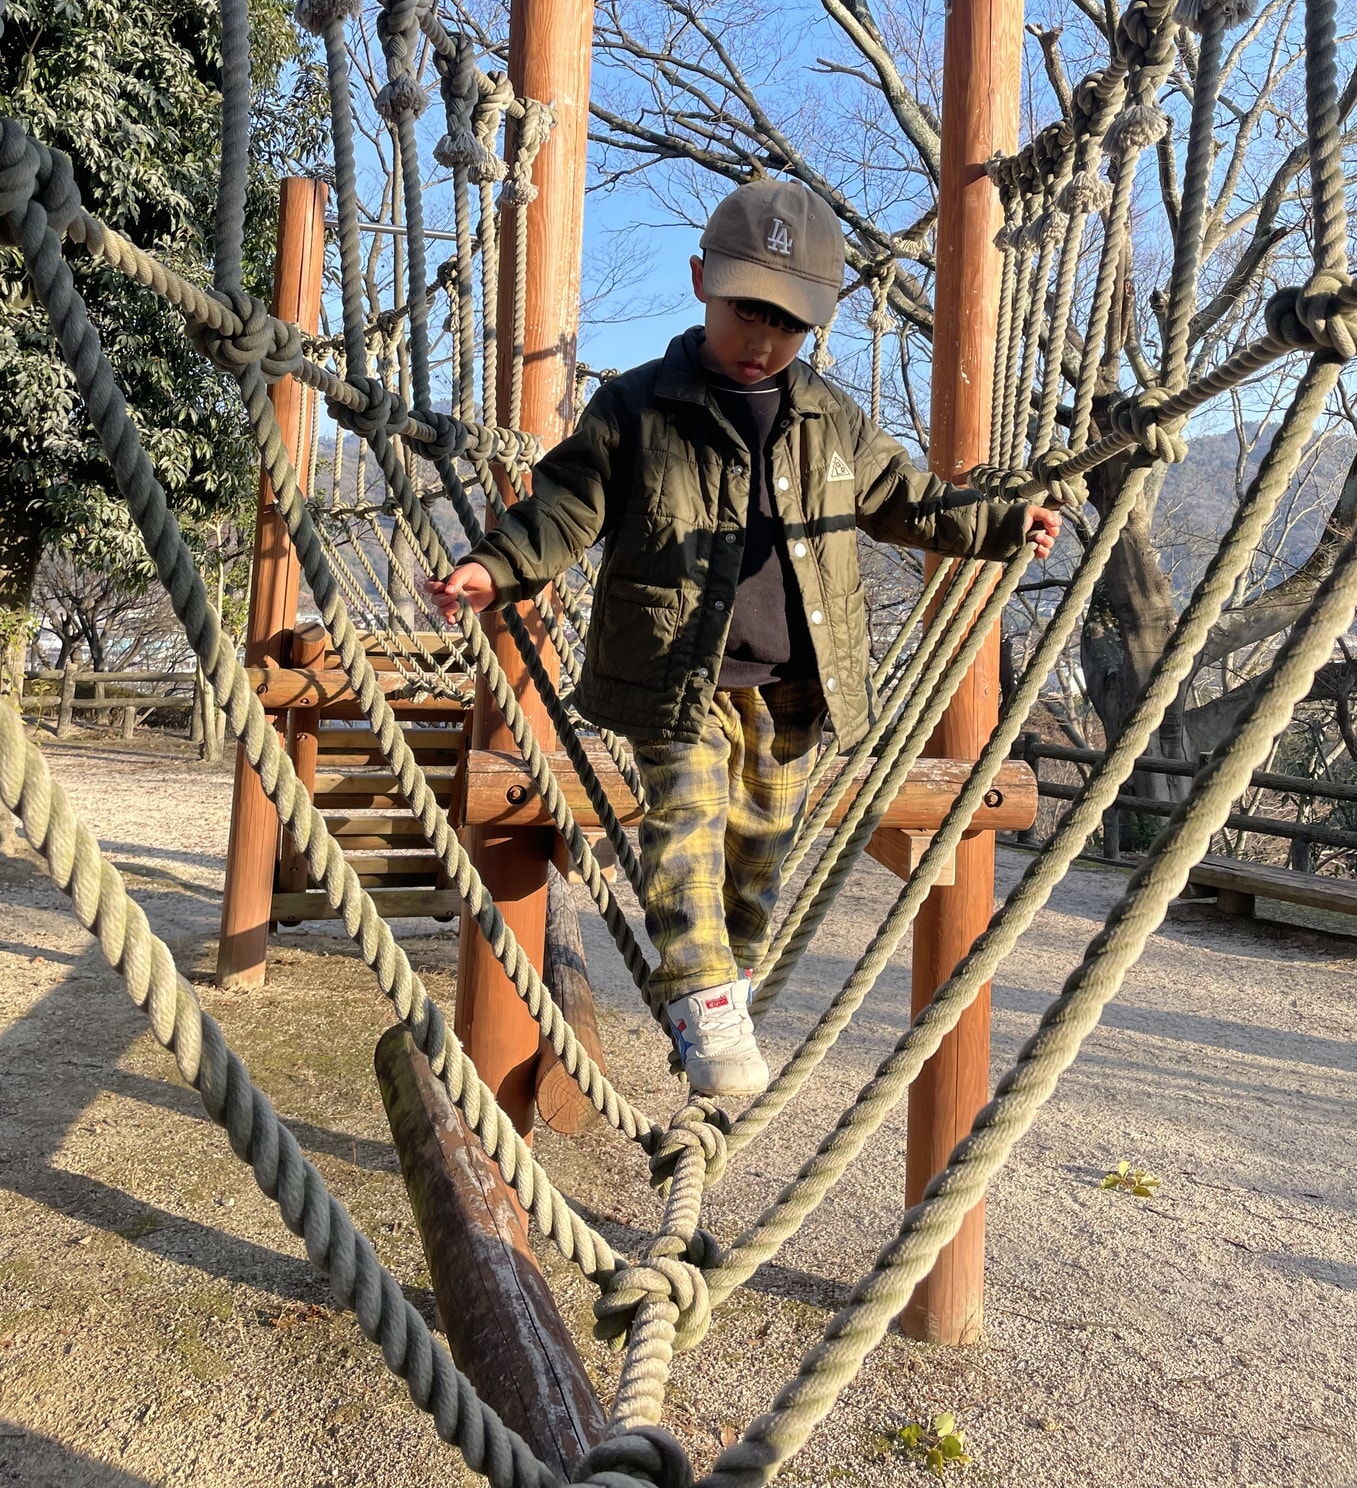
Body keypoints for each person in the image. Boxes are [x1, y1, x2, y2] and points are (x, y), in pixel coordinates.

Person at [424, 181, 1060, 1099]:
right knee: (683, 829)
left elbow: (910, 501)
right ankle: (707, 1005)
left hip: (795, 686)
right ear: (700, 284)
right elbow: (565, 506)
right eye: (746, 313)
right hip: (677, 677)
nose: (762, 340)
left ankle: (728, 989)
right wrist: (494, 567)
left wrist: (1002, 524)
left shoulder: (831, 419)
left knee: (758, 858)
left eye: (787, 324)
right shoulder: (638, 407)